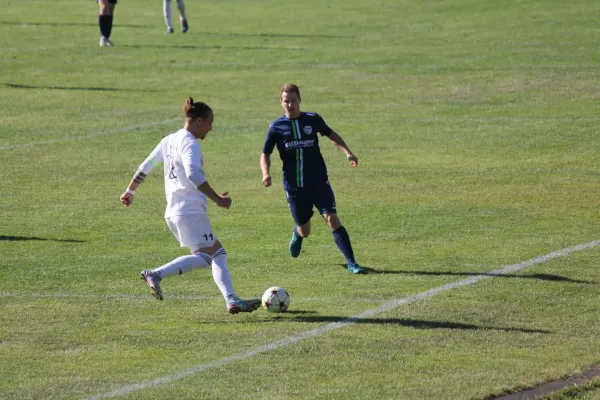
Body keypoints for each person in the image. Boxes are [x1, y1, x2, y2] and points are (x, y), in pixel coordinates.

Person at [120, 97, 261, 314]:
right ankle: (156, 274)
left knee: (217, 253)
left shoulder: (168, 140)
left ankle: (232, 300)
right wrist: (218, 200)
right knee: (207, 257)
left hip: (174, 211)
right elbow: (193, 174)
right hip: (190, 210)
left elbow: (146, 166)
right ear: (199, 121)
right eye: (210, 122)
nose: (211, 128)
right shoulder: (190, 143)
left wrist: (130, 191)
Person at [260, 83, 367, 274]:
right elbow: (265, 153)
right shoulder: (276, 127)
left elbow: (331, 135)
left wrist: (347, 152)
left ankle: (352, 262)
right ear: (281, 102)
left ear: (299, 100)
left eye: (293, 100)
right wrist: (266, 173)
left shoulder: (312, 119)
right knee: (305, 230)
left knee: (332, 219)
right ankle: (297, 234)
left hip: (318, 182)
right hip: (294, 187)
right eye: (287, 101)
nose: (291, 104)